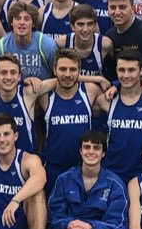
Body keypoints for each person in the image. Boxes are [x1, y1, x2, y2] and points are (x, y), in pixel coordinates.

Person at [44, 131, 128, 229]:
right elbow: (53, 219)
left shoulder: (115, 184)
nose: (91, 152)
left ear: (103, 153)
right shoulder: (64, 180)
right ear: (80, 151)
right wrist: (69, 224)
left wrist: (90, 226)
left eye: (96, 148)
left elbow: (119, 226)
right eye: (87, 147)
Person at [36, 50, 101, 195]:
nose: (67, 74)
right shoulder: (45, 96)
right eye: (62, 69)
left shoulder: (90, 91)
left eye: (72, 70)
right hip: (53, 168)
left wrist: (100, 80)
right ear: (54, 70)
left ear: (79, 71)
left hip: (83, 169)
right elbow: (29, 89)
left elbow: (116, 97)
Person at [93, 51, 142, 182]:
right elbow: (71, 88)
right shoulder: (105, 101)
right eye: (121, 70)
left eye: (131, 70)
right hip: (112, 175)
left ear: (141, 71)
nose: (126, 75)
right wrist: (99, 79)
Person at [0, 2, 59, 81]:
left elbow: (57, 76)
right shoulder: (0, 47)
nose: (22, 23)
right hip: (11, 90)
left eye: (27, 19)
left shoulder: (47, 45)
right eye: (18, 18)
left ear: (33, 23)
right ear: (11, 22)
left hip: (42, 91)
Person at [55, 5, 111, 79]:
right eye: (80, 24)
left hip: (96, 90)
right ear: (72, 26)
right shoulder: (61, 44)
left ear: (95, 26)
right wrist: (97, 79)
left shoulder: (105, 45)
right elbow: (57, 76)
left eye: (89, 24)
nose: (85, 29)